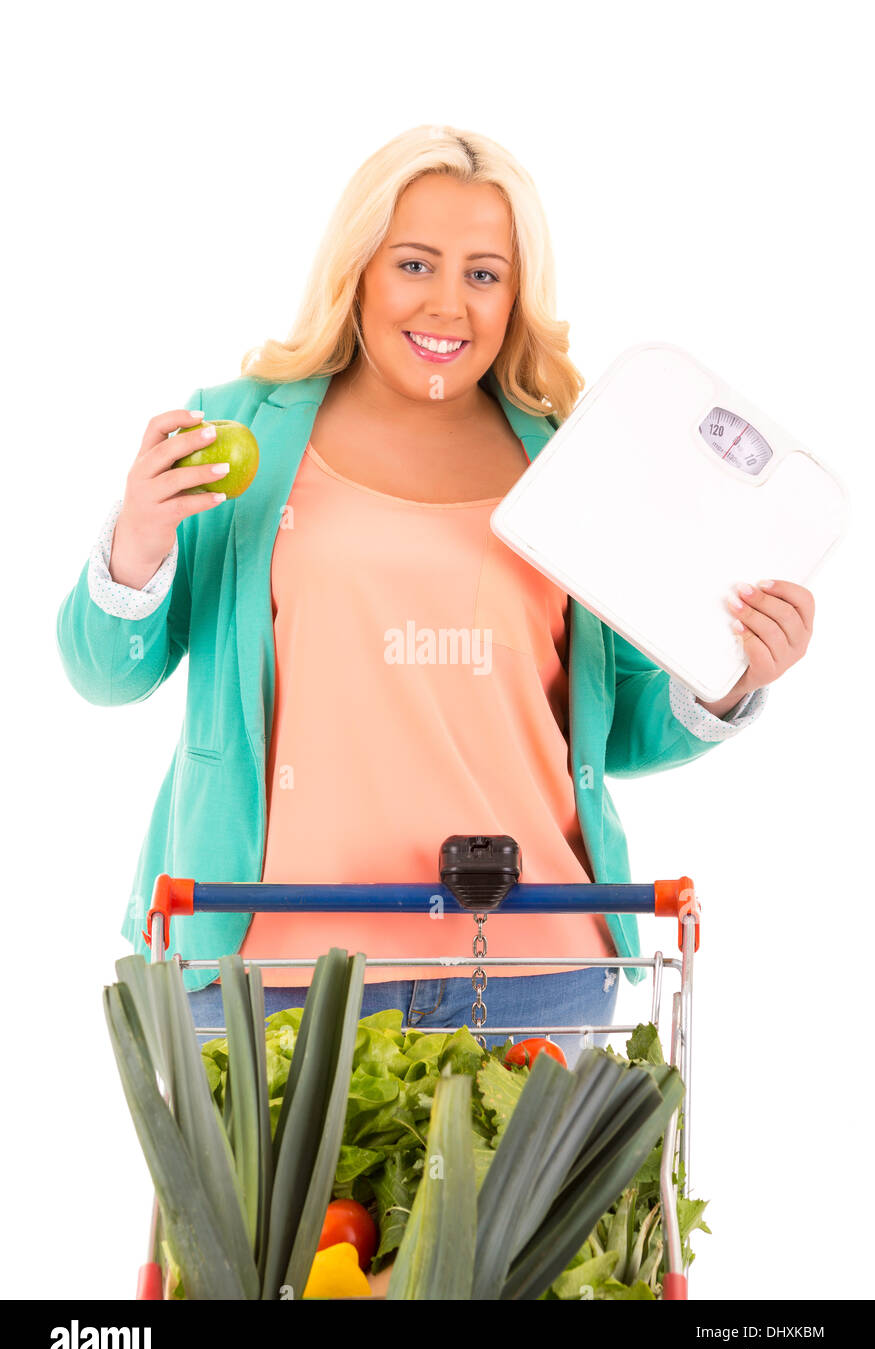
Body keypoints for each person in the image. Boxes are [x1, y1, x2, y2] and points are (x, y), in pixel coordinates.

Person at [56, 124, 814, 1054]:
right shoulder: (236, 430)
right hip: (273, 967)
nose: (448, 304)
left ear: (514, 293)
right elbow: (104, 676)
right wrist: (138, 536)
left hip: (534, 969)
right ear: (360, 269)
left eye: (484, 274)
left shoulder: (570, 458)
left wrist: (729, 678)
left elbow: (607, 731)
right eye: (415, 263)